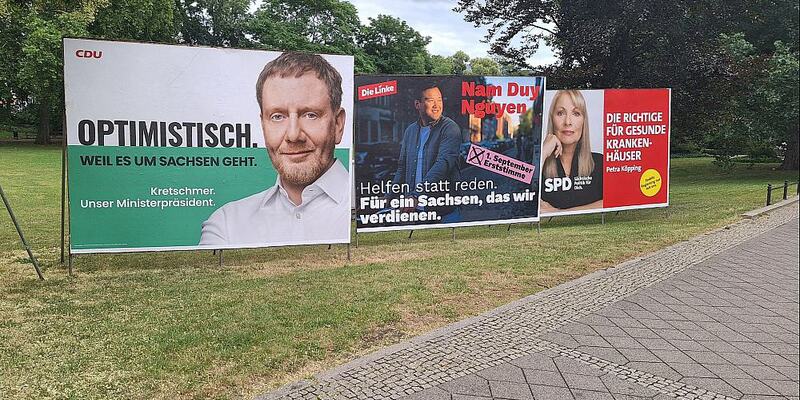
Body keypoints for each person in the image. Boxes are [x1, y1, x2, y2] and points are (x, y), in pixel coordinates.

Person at [199, 51, 350, 246]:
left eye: (310, 115)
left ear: (338, 125)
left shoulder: (373, 211)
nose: (293, 135)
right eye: (277, 117)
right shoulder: (227, 224)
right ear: (263, 125)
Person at [390, 82, 463, 222]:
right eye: (430, 100)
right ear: (418, 104)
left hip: (444, 211)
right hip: (415, 210)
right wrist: (389, 196)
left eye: (439, 100)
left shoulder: (450, 128)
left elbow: (443, 164)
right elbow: (402, 167)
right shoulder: (410, 131)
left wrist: (416, 195)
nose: (437, 105)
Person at [540, 89, 603, 212]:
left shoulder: (600, 163)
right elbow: (518, 198)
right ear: (551, 119)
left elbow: (616, 200)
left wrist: (559, 213)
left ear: (584, 121)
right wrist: (542, 153)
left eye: (576, 113)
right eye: (560, 113)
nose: (568, 122)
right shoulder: (540, 165)